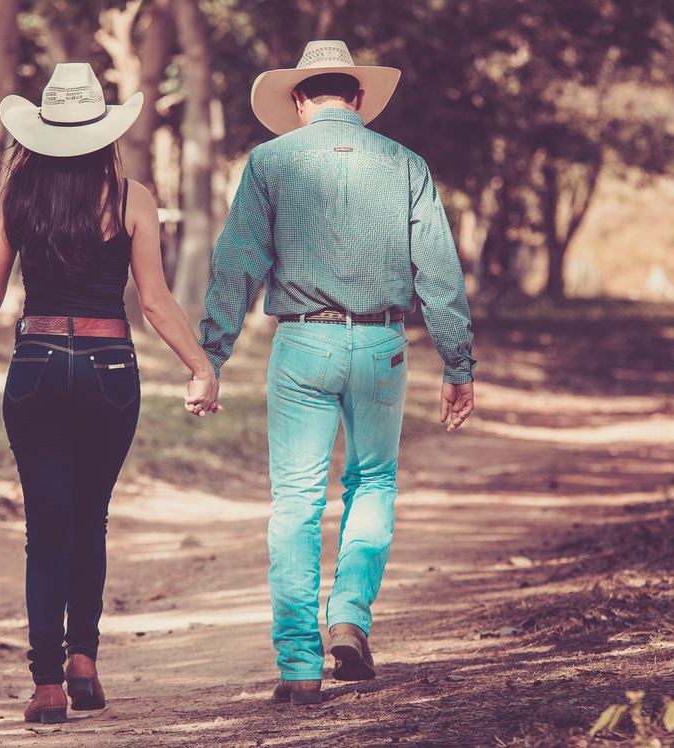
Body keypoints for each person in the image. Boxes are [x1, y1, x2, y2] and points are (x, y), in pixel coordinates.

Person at [197, 40, 476, 705]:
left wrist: (211, 355)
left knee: (297, 500)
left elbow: (237, 262)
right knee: (373, 480)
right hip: (382, 344)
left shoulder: (269, 161)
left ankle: (299, 666)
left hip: (303, 343)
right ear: (359, 98)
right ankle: (349, 618)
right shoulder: (406, 164)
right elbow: (438, 271)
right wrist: (458, 361)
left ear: (299, 99)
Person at [0, 63, 221, 724]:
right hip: (109, 369)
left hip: (37, 364)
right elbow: (154, 302)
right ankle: (84, 662)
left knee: (46, 527)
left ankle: (47, 685)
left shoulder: (16, 196)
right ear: (103, 132)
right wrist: (200, 367)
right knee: (89, 519)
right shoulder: (132, 198)